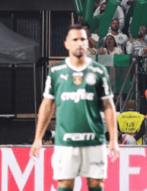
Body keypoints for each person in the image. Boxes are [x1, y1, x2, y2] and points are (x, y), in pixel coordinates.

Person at [31, 25, 119, 191]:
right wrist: (38, 137)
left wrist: (113, 139)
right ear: (66, 44)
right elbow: (47, 105)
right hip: (66, 141)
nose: (79, 43)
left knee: (96, 183)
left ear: (87, 43)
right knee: (65, 184)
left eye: (83, 39)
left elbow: (108, 105)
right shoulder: (56, 72)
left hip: (94, 140)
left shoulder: (99, 71)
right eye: (75, 39)